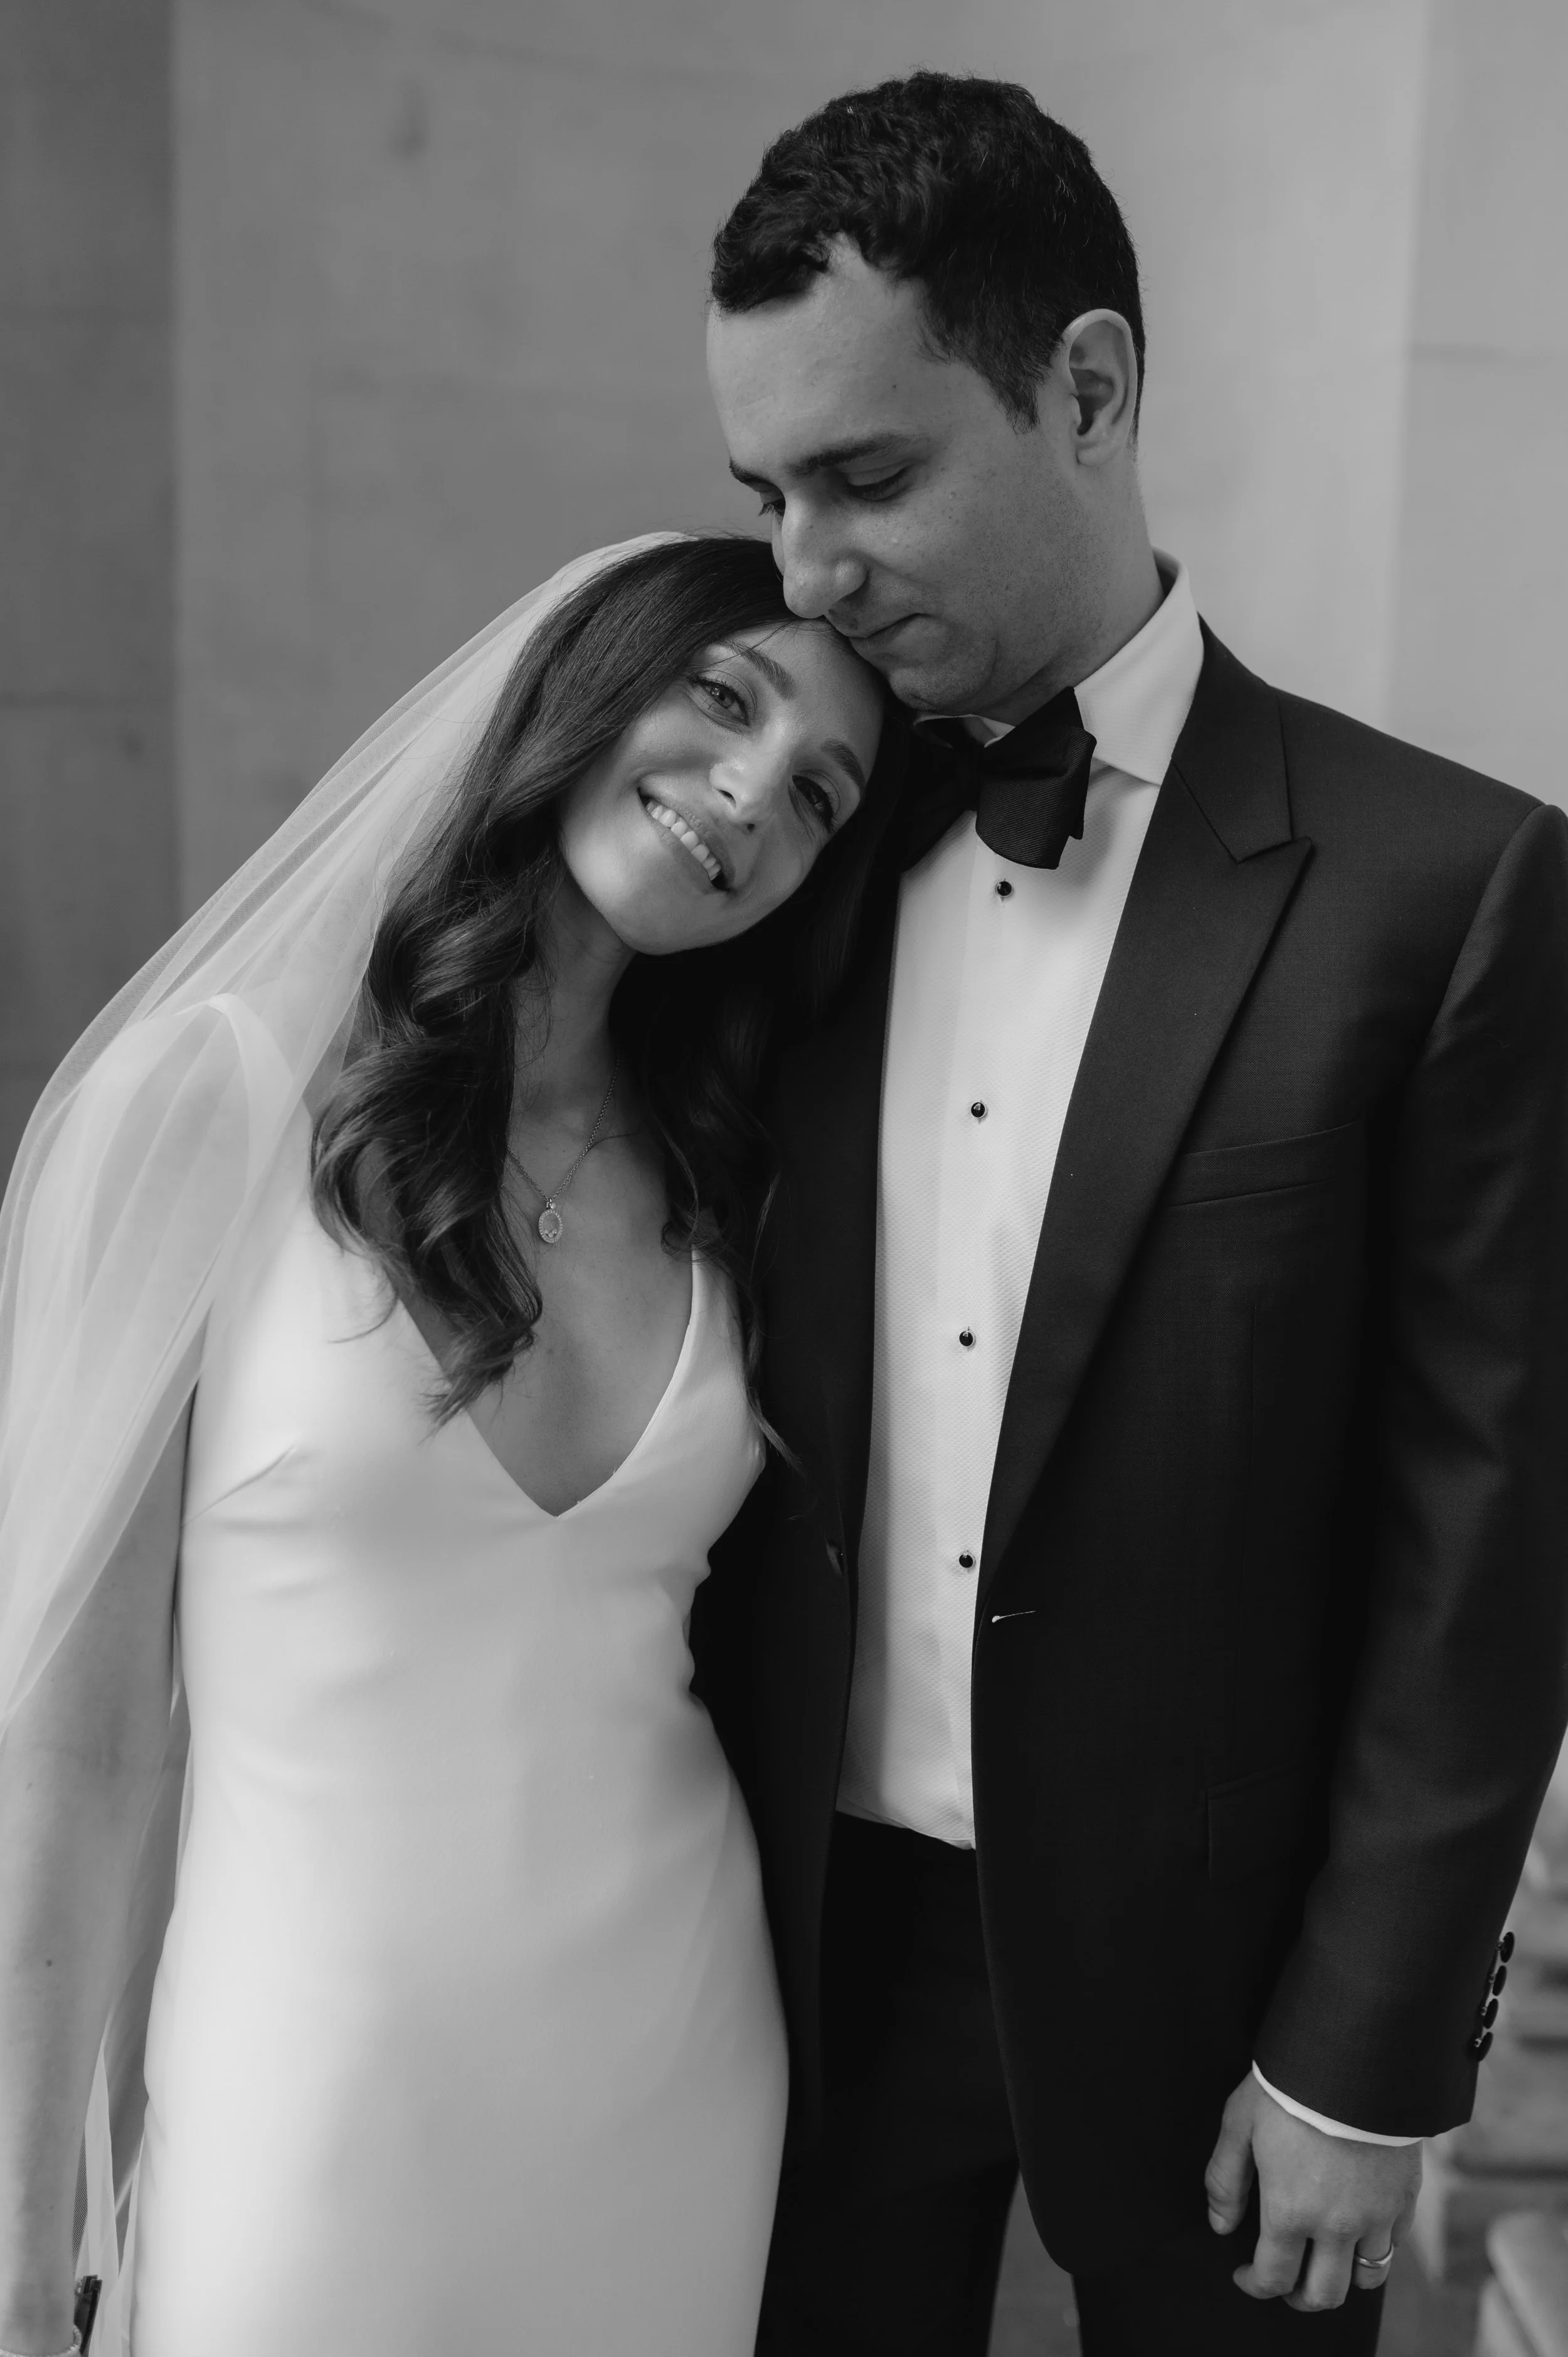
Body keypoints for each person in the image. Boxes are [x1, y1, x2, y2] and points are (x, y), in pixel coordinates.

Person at [695, 71, 1568, 2356]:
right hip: (785, 1954)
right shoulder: (770, 859)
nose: (802, 569)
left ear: (1087, 387)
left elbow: (1484, 1528)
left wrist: (1369, 2046)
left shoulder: (1444, 888)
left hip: (1230, 1994)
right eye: (767, 494)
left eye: (868, 476)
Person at [0, 532, 903, 2357]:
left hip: (675, 2068)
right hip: (302, 2090)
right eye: (720, 696)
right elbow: (80, 1747)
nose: (749, 793)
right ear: (578, 687)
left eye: (819, 794)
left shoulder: (736, 1177)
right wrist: (20, 2256)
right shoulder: (207, 1097)